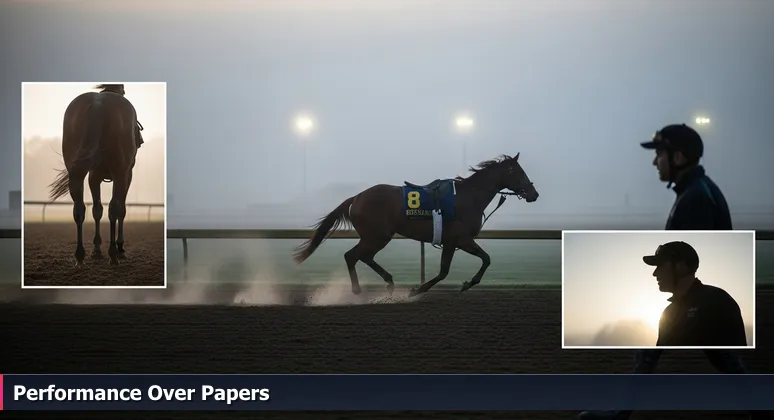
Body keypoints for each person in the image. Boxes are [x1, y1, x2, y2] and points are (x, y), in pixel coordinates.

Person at [577, 124, 767, 420]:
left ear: (678, 157)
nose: (655, 162)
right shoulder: (695, 192)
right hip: (694, 301)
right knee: (719, 361)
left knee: (660, 354)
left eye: (659, 155)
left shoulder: (695, 199)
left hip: (697, 304)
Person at [642, 240, 746, 347]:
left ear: (681, 266)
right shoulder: (668, 312)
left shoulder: (717, 301)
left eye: (660, 266)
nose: (655, 273)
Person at [95, 83, 145, 149]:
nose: (124, 92)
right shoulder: (122, 103)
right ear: (119, 87)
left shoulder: (97, 98)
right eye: (122, 88)